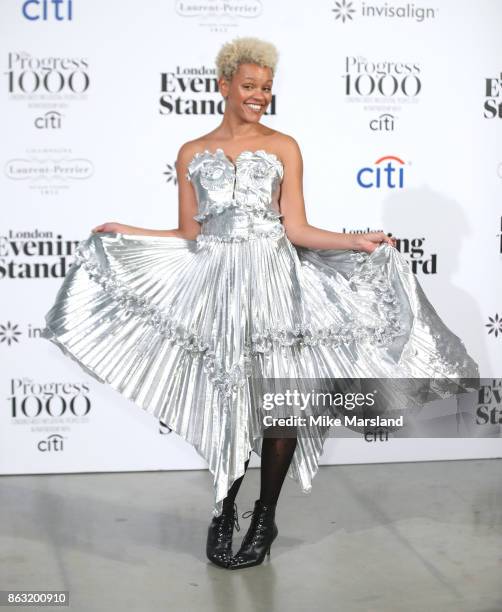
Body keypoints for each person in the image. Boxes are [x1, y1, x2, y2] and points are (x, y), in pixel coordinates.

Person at [41, 36, 480, 570]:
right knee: (226, 401)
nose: (259, 96)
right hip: (219, 290)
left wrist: (355, 241)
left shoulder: (284, 147)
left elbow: (295, 226)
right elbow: (187, 232)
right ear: (223, 85)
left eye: (267, 88)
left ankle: (265, 515)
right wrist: (125, 231)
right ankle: (224, 508)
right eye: (249, 86)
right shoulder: (190, 152)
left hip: (275, 282)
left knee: (281, 404)